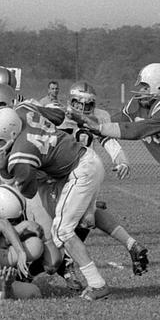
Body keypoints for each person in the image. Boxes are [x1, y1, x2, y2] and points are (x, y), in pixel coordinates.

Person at [68, 63, 160, 296]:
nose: (141, 90)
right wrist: (91, 123)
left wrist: (101, 127)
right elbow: (115, 123)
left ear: (159, 87)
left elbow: (137, 130)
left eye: (145, 86)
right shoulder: (135, 104)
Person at [0, 104, 111, 300]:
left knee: (62, 231)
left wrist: (3, 167)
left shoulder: (20, 154)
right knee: (78, 223)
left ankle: (97, 284)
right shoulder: (23, 110)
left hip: (80, 171)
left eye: (1, 140)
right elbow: (59, 116)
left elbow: (28, 190)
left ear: (12, 132)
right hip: (85, 159)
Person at [57, 81, 150, 278]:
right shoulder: (60, 115)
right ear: (70, 101)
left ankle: (67, 266)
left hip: (76, 174)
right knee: (87, 218)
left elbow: (109, 141)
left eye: (87, 105)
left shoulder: (97, 117)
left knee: (74, 223)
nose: (82, 109)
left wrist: (122, 161)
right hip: (77, 174)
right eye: (78, 104)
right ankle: (130, 243)